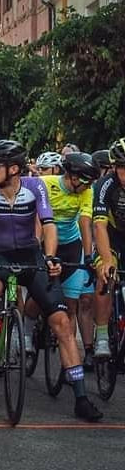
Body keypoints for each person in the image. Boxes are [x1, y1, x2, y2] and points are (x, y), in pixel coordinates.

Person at [0, 139, 102, 422]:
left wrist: (51, 256)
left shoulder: (35, 187)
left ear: (14, 168)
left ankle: (80, 396)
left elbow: (49, 224)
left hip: (31, 255)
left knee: (62, 323)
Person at [35, 152, 98, 368]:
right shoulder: (45, 183)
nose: (87, 186)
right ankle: (26, 336)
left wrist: (88, 256)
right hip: (43, 241)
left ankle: (69, 363)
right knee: (36, 299)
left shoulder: (87, 191)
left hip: (71, 246)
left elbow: (85, 222)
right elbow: (34, 217)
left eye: (90, 182)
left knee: (71, 305)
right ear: (70, 175)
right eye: (84, 181)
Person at [91, 137, 125, 359]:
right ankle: (102, 336)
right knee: (106, 275)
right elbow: (99, 225)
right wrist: (107, 260)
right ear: (114, 167)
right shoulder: (105, 186)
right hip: (110, 238)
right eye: (123, 168)